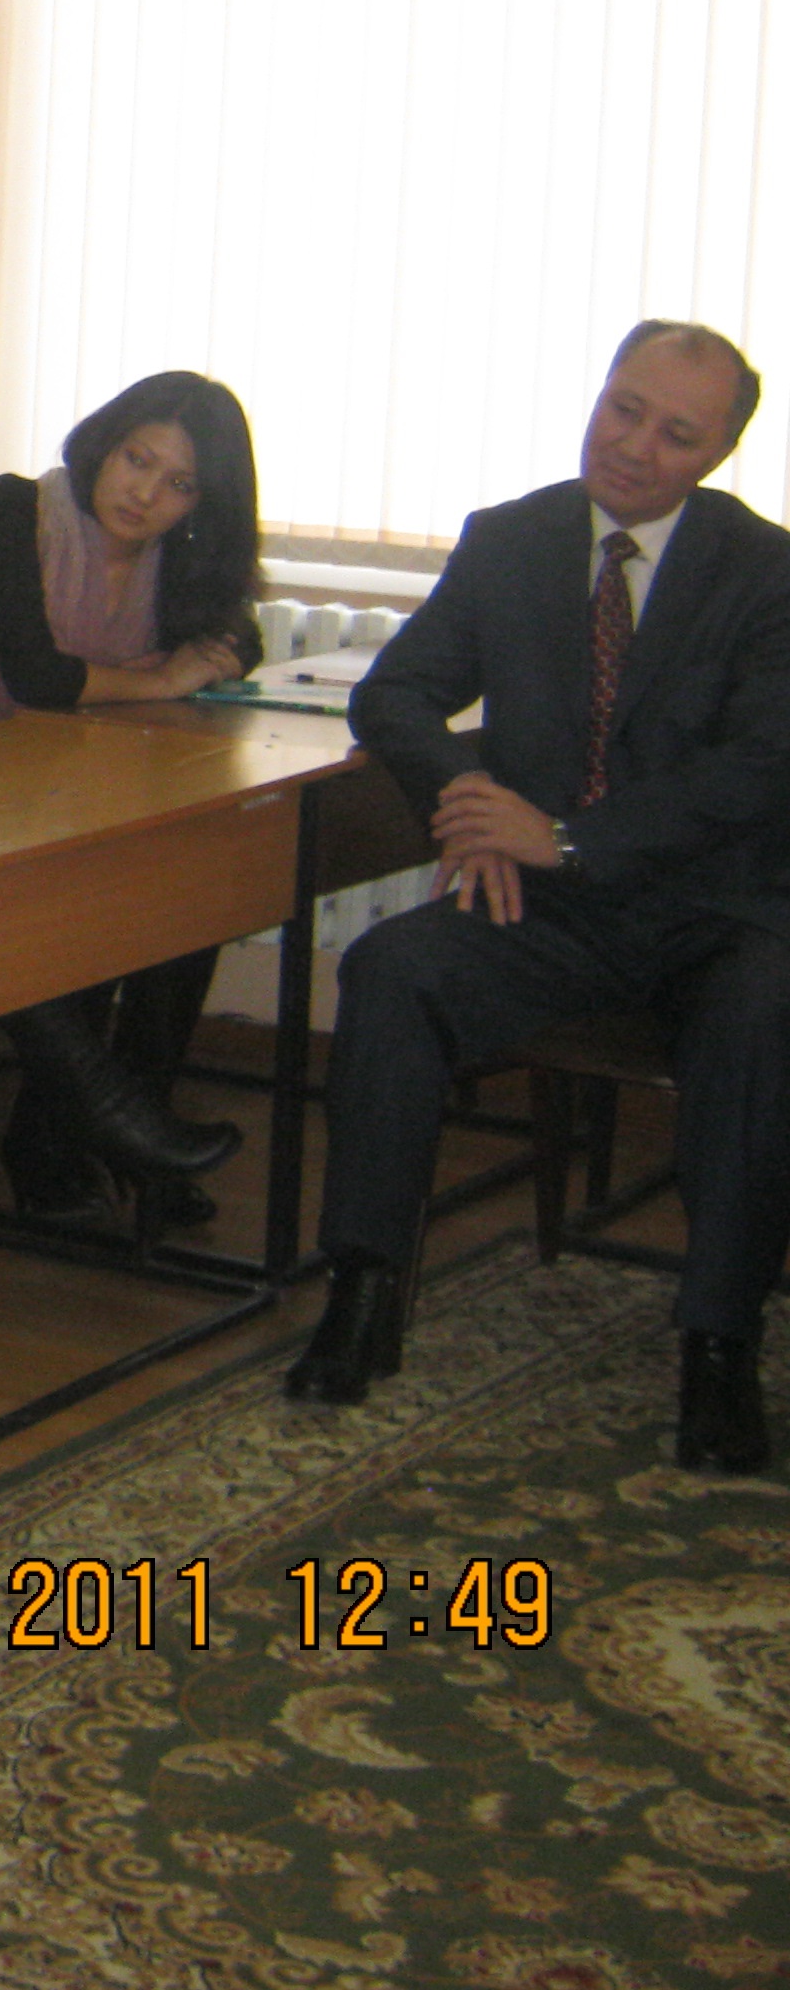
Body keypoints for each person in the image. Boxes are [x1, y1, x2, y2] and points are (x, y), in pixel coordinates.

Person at [285, 322, 790, 1474]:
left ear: (717, 455)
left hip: (716, 913)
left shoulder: (767, 573)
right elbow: (395, 696)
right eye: (624, 409)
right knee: (392, 969)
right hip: (551, 916)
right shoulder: (511, 541)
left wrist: (564, 837)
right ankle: (363, 1292)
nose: (634, 447)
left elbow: (762, 771)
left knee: (764, 1016)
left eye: (676, 434)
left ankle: (719, 1343)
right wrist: (471, 799)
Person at [0, 374, 264, 1344]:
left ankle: (103, 1133)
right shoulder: (20, 511)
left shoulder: (177, 559)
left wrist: (197, 657)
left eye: (178, 485)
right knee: (41, 923)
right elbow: (40, 679)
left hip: (59, 804)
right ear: (105, 441)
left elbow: (241, 636)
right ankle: (102, 1125)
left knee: (189, 901)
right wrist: (161, 678)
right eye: (137, 459)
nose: (145, 494)